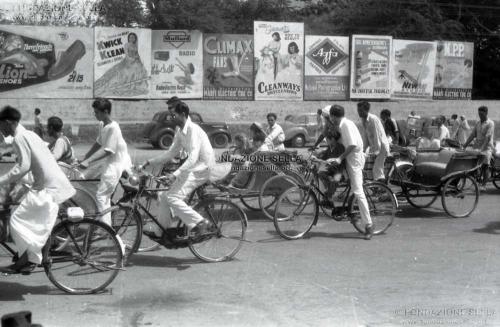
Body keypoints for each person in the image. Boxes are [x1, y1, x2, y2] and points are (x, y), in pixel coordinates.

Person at [0, 106, 75, 274]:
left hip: (47, 188)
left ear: (7, 122)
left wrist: (2, 181)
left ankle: (28, 260)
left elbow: (23, 166)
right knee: (34, 223)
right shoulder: (30, 134)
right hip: (49, 185)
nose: (0, 130)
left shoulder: (20, 137)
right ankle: (35, 256)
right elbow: (30, 164)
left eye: (0, 126)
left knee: (16, 220)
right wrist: (15, 185)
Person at [139, 101, 215, 239]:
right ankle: (161, 231)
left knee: (172, 197)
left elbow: (193, 157)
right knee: (163, 196)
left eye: (174, 115)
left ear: (183, 114)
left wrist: (175, 175)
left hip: (202, 168)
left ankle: (200, 222)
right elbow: (170, 153)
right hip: (192, 168)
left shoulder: (193, 130)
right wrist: (149, 162)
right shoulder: (180, 131)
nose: (172, 118)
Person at [79, 98, 132, 226]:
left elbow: (108, 150)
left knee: (102, 196)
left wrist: (89, 161)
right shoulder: (103, 124)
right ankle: (103, 210)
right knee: (82, 177)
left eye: (97, 112)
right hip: (108, 162)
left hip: (116, 164)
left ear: (106, 112)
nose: (95, 115)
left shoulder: (114, 127)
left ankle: (106, 229)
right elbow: (99, 143)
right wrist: (86, 157)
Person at [328, 104, 374, 240]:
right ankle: (348, 206)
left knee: (358, 191)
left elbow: (352, 144)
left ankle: (368, 225)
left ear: (333, 116)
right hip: (351, 158)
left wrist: (340, 158)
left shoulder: (345, 125)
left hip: (354, 159)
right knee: (337, 177)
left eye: (331, 117)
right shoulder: (344, 123)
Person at [463, 106, 495, 190]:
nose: (480, 116)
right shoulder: (478, 123)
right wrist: (465, 144)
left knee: (485, 166)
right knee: (473, 164)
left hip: (487, 147)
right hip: (477, 147)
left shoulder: (490, 123)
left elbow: (487, 138)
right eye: (479, 114)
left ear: (486, 113)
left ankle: (484, 185)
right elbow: (472, 135)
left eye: (481, 114)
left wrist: (482, 149)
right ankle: (476, 179)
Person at [357, 101, 390, 182]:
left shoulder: (373, 119)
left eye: (361, 111)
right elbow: (366, 136)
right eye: (358, 110)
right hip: (374, 147)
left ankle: (382, 189)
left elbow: (377, 135)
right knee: (369, 168)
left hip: (381, 147)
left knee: (377, 170)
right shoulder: (364, 120)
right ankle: (376, 187)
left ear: (366, 110)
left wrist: (377, 151)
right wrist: (363, 149)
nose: (359, 113)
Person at [311, 130, 345, 207]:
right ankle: (328, 192)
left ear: (332, 139)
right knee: (320, 173)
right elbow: (324, 158)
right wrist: (316, 157)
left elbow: (334, 161)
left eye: (327, 139)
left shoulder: (340, 147)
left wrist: (319, 160)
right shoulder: (329, 148)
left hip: (339, 171)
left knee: (334, 181)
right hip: (331, 170)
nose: (326, 140)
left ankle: (328, 197)